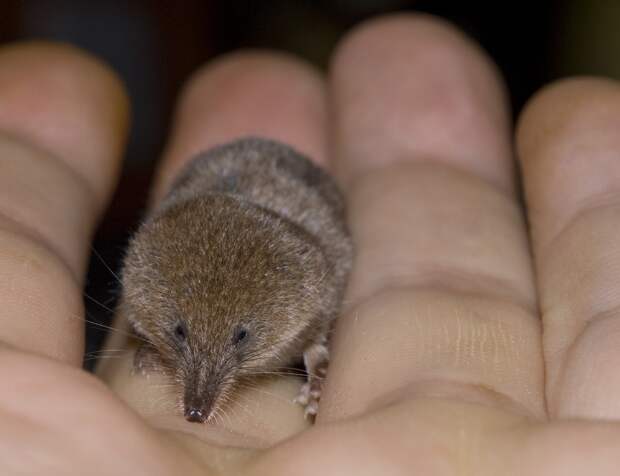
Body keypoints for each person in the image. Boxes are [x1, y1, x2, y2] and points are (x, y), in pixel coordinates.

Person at [1, 13, 619, 475]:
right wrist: (155, 336)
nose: (199, 400)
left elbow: (321, 279)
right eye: (183, 337)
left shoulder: (306, 276)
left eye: (239, 341)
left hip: (291, 207)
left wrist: (317, 354)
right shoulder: (160, 267)